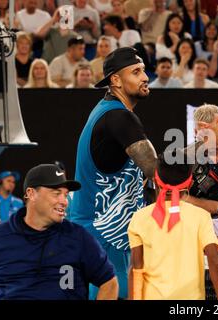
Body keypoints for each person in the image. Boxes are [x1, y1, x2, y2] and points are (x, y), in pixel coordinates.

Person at [69, 47, 158, 299]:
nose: (144, 77)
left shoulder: (106, 111)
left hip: (104, 234)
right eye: (136, 72)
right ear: (115, 80)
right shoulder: (119, 117)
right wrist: (205, 142)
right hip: (102, 233)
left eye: (143, 71)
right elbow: (156, 170)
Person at [0, 164, 119, 299]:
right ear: (31, 194)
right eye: (56, 193)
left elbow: (109, 283)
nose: (64, 201)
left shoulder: (78, 236)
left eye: (65, 195)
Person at [127, 153, 218, 300]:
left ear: (156, 180)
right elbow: (214, 261)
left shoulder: (139, 218)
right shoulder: (201, 216)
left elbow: (137, 268)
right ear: (190, 183)